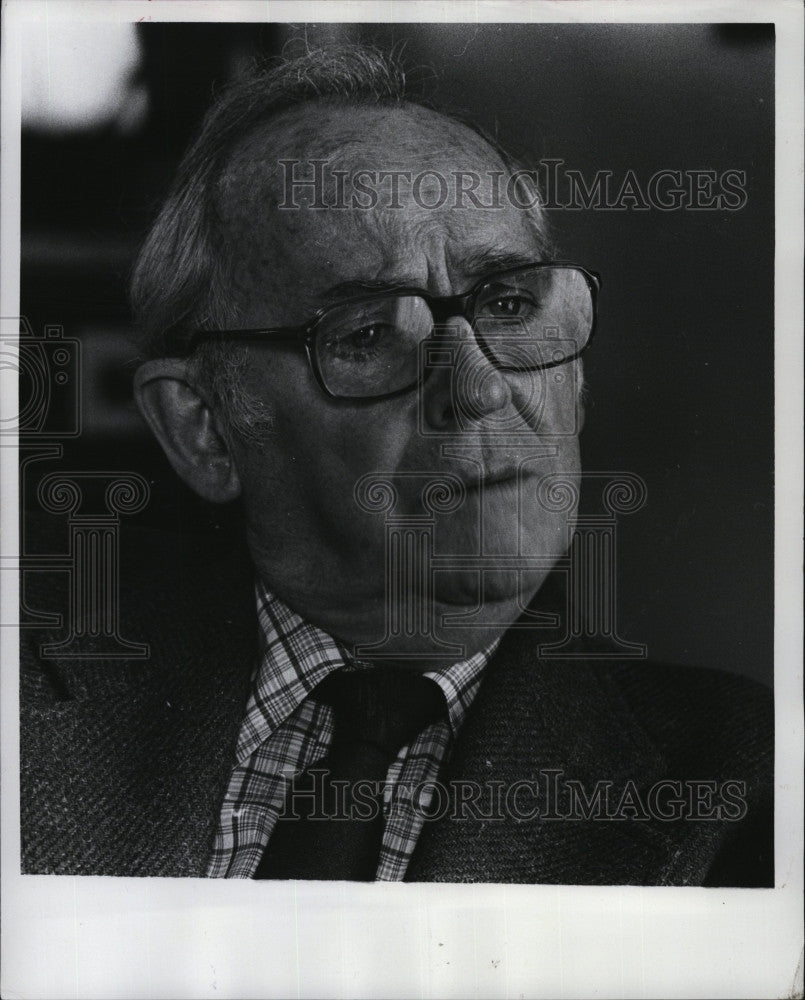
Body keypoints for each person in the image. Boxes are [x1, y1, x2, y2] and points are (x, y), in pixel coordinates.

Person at [20, 44, 773, 884]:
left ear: (578, 381)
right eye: (369, 334)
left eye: (512, 303)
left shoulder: (744, 785)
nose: (480, 389)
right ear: (206, 428)